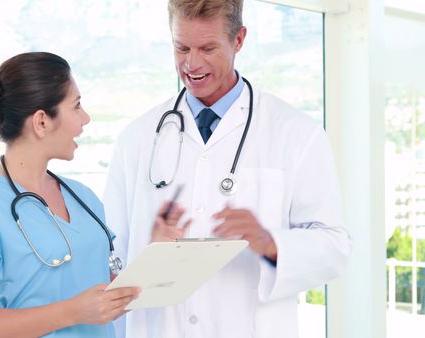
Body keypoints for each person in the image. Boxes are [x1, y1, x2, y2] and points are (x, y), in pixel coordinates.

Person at [103, 1, 353, 337]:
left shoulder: (296, 133)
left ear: (239, 40)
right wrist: (152, 253)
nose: (192, 64)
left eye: (208, 48)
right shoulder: (136, 139)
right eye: (182, 48)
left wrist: (270, 242)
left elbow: (334, 248)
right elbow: (110, 261)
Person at [0, 52, 154, 338]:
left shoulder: (84, 198)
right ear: (42, 122)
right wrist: (74, 311)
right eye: (76, 106)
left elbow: (97, 292)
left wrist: (155, 255)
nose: (85, 118)